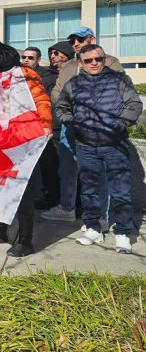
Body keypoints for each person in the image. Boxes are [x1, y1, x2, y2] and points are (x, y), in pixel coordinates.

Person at [56, 44, 142, 254]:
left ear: (104, 59)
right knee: (89, 191)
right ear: (80, 63)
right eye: (89, 60)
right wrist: (74, 123)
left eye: (99, 59)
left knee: (120, 192)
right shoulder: (73, 83)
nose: (94, 63)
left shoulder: (119, 79)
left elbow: (134, 105)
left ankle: (123, 232)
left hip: (115, 145)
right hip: (86, 146)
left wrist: (119, 124)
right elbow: (61, 108)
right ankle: (93, 228)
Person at [0, 36, 52, 257]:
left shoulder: (24, 74)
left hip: (21, 140)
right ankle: (0, 231)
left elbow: (41, 100)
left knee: (22, 189)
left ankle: (26, 241)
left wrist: (45, 124)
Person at [42, 27, 123, 227]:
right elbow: (57, 92)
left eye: (80, 39)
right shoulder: (68, 66)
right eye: (72, 41)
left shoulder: (109, 61)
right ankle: (67, 208)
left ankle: (100, 216)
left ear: (92, 39)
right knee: (67, 169)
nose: (76, 43)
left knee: (99, 172)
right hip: (70, 127)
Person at [33, 41, 74, 209]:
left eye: (57, 53)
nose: (53, 56)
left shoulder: (75, 73)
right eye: (51, 53)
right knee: (48, 167)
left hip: (68, 126)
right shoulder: (46, 76)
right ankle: (52, 199)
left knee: (68, 169)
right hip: (47, 127)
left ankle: (71, 203)